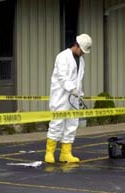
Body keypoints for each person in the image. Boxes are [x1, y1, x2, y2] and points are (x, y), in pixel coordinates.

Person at [44, 34, 92, 163]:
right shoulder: (62, 57)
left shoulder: (81, 61)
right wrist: (73, 89)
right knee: (57, 123)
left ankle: (66, 153)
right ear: (76, 45)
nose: (83, 53)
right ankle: (49, 152)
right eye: (82, 50)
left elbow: (78, 79)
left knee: (72, 123)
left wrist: (77, 92)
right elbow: (62, 77)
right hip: (60, 96)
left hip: (74, 97)